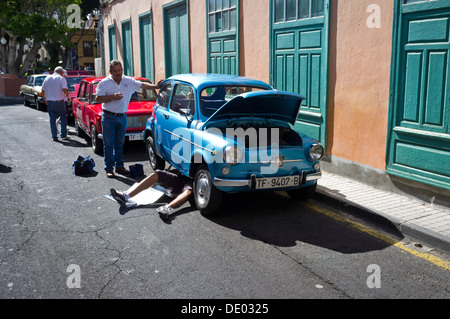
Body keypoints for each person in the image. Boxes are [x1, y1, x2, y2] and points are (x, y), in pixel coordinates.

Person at [96, 60, 164, 178]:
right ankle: (109, 168)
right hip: (108, 116)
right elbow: (98, 99)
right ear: (110, 71)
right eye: (115, 71)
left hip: (122, 116)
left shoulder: (128, 80)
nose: (118, 73)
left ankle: (120, 167)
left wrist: (156, 86)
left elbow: (142, 85)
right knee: (108, 144)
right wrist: (112, 97)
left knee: (120, 144)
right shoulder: (104, 83)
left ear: (122, 70)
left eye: (119, 70)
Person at [110, 169, 193, 219]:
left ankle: (166, 208)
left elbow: (198, 167)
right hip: (179, 178)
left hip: (192, 182)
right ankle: (126, 196)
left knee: (188, 191)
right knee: (157, 174)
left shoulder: (198, 148)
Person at [42, 66, 69, 141]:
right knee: (63, 117)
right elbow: (64, 89)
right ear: (61, 72)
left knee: (52, 119)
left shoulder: (47, 78)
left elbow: (43, 90)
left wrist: (45, 99)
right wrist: (67, 94)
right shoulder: (61, 78)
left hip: (50, 101)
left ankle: (54, 136)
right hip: (59, 102)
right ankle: (63, 134)